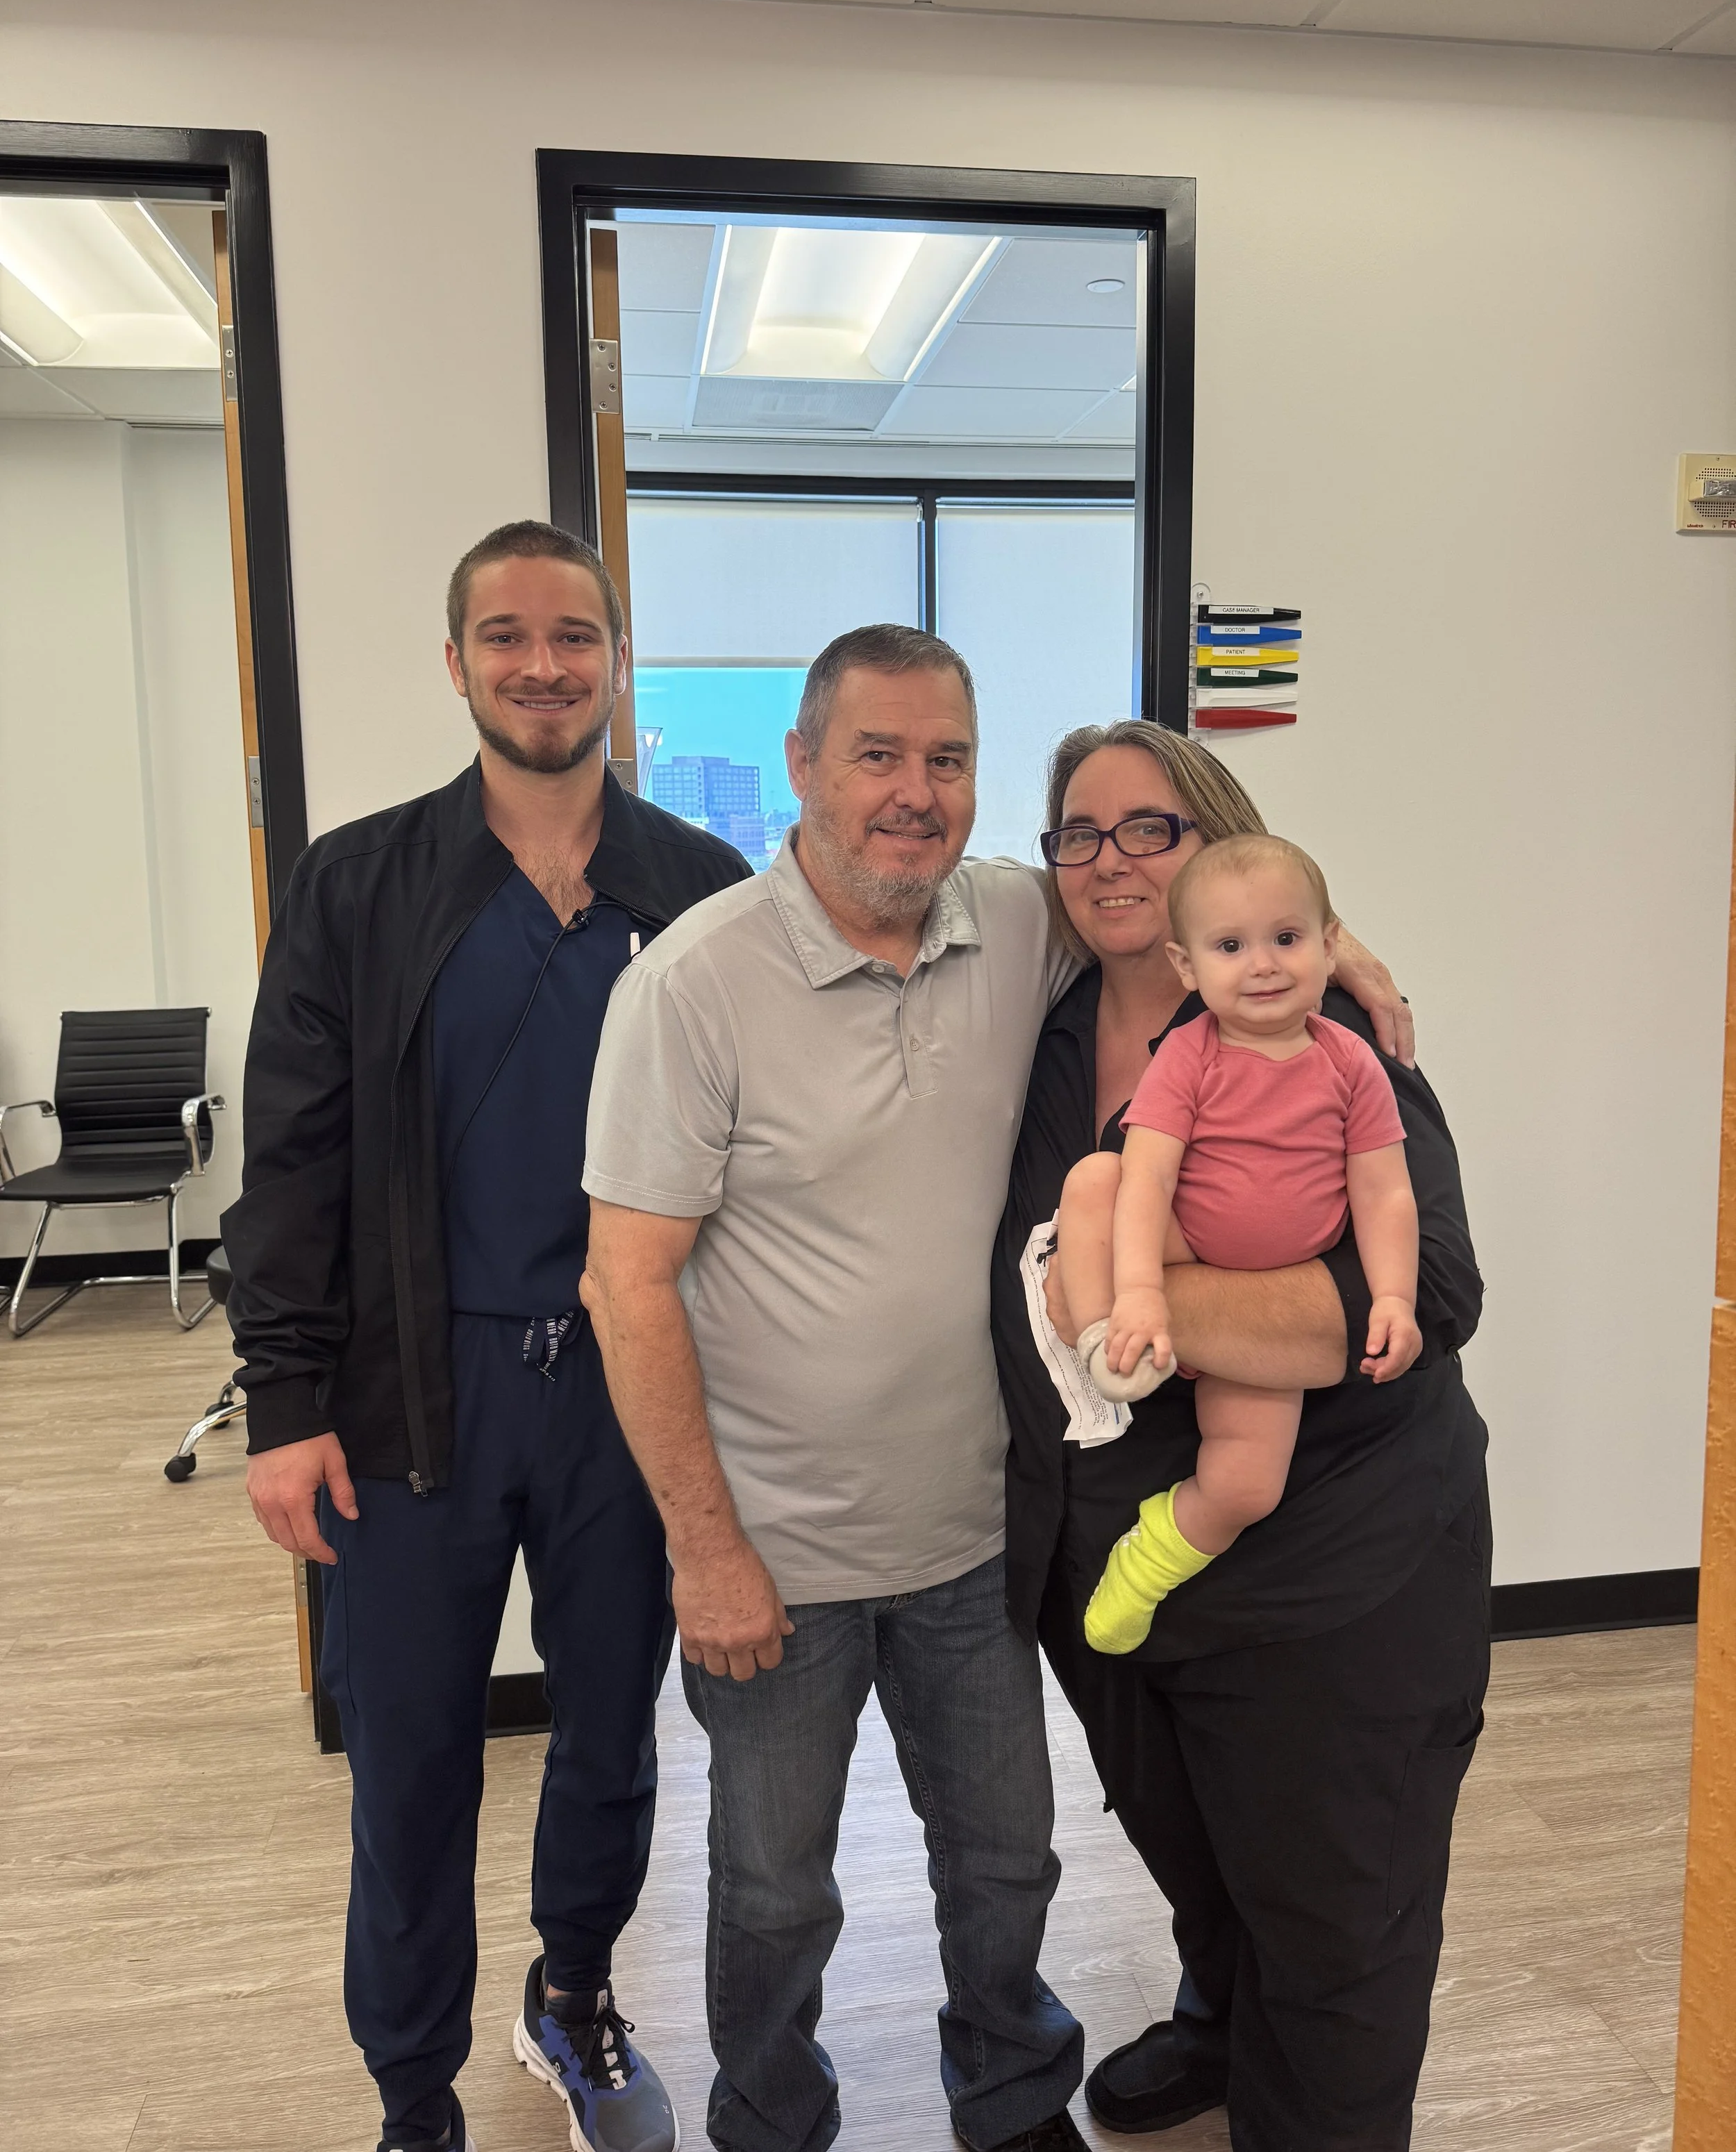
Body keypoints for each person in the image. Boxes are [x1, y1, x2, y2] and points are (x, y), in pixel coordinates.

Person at [578, 627, 1411, 2152]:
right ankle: (769, 2116)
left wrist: (1333, 946)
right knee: (770, 1890)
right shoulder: (691, 985)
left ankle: (1012, 2093)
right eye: (877, 755)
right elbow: (623, 1285)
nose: (912, 793)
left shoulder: (1014, 926)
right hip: (778, 1550)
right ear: (802, 768)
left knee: (1003, 1867)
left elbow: (1201, 903)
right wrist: (704, 1549)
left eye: (946, 760)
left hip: (978, 1538)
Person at [226, 521, 749, 2152]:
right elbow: (293, 1156)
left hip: (627, 1388)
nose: (544, 664)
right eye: (508, 636)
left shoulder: (702, 894)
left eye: (576, 635)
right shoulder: (359, 885)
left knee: (610, 1728)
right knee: (413, 1766)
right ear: (457, 664)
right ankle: (409, 2096)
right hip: (412, 1397)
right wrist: (285, 1398)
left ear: (615, 661)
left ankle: (576, 1993)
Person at [991, 719, 1487, 2150]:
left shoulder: (1333, 1049)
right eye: (1076, 832)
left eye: (1151, 826)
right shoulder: (1038, 1024)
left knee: (1334, 1932)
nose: (1109, 858)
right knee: (1203, 1870)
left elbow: (1429, 1292)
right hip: (1115, 1577)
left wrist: (1134, 1315)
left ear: (1221, 842)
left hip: (1332, 1574)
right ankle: (1218, 2022)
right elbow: (903, 861)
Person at [1053, 832, 1421, 1653]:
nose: (1262, 965)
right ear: (1189, 969)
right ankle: (1099, 1342)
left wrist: (1393, 1295)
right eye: (1230, 947)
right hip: (1184, 1244)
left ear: (1330, 948)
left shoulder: (1350, 1061)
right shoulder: (1190, 1053)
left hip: (1268, 1304)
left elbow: (1385, 1190)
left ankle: (1147, 1560)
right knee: (1095, 1183)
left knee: (1248, 1485)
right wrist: (1139, 1295)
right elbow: (1147, 1177)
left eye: (1286, 940)